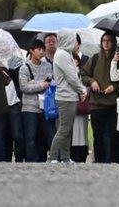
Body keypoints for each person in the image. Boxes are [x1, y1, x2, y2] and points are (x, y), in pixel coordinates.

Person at [49, 31, 87, 163]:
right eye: (73, 40)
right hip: (66, 97)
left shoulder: (65, 54)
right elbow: (72, 77)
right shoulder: (62, 55)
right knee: (64, 129)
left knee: (67, 129)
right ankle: (52, 157)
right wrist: (82, 90)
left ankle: (65, 157)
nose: (75, 43)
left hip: (69, 96)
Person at [82, 32, 119, 163]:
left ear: (113, 42)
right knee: (98, 135)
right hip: (96, 103)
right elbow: (84, 74)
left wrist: (114, 87)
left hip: (113, 104)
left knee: (113, 135)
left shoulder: (118, 59)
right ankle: (99, 161)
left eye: (109, 40)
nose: (106, 43)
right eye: (104, 40)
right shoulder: (95, 58)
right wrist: (92, 81)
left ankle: (112, 161)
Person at [20, 38, 53, 162]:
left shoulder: (48, 66)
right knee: (30, 137)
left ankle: (47, 160)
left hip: (45, 107)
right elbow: (23, 87)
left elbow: (49, 82)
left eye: (43, 50)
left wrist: (34, 83)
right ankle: (31, 162)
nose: (41, 52)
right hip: (29, 108)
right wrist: (40, 85)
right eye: (38, 49)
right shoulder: (24, 68)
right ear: (31, 51)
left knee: (48, 135)